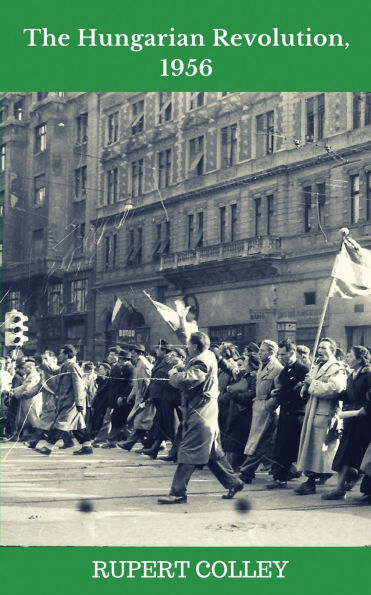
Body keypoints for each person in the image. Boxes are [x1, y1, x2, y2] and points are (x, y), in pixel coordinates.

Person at [157, 331, 244, 504]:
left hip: (200, 414)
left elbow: (188, 380)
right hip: (207, 413)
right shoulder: (209, 354)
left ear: (195, 346)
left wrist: (173, 374)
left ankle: (178, 493)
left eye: (188, 344)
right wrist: (183, 367)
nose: (186, 347)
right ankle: (233, 482)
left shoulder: (201, 360)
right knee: (212, 454)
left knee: (188, 452)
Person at [295, 337, 347, 494]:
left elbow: (333, 390)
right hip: (313, 411)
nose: (320, 351)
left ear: (332, 350)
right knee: (314, 450)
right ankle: (314, 478)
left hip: (325, 413)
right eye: (320, 348)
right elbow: (309, 390)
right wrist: (305, 387)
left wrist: (312, 384)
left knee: (320, 451)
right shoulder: (317, 366)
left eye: (325, 348)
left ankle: (312, 481)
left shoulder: (337, 368)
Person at [322, 345, 371, 500]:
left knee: (361, 456)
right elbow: (349, 395)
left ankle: (355, 481)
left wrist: (365, 409)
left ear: (360, 358)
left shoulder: (368, 374)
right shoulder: (351, 375)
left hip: (365, 420)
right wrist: (331, 393)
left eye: (350, 356)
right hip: (352, 420)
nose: (346, 358)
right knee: (345, 453)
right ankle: (340, 488)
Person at [36, 344, 93, 456]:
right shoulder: (65, 366)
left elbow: (79, 385)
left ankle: (48, 447)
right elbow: (52, 370)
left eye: (61, 353)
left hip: (71, 402)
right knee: (78, 427)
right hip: (68, 401)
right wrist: (41, 361)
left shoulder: (73, 366)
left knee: (61, 424)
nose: (59, 355)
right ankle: (87, 447)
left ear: (67, 354)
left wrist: (79, 403)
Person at [266, 339, 308, 489]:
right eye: (279, 354)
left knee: (289, 446)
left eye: (283, 354)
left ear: (292, 353)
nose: (280, 357)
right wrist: (276, 392)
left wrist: (284, 392)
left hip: (296, 414)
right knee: (282, 445)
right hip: (285, 412)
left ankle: (283, 476)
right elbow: (284, 388)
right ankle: (281, 476)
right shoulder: (284, 371)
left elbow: (302, 394)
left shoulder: (303, 370)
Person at [239, 340, 283, 484]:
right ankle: (289, 470)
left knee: (261, 442)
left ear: (272, 352)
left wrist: (269, 405)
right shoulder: (263, 366)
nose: (259, 353)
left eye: (263, 351)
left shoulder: (277, 368)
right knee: (262, 441)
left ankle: (247, 471)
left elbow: (278, 392)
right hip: (258, 407)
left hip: (268, 410)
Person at [140, 339, 182, 459]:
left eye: (158, 349)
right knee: (160, 422)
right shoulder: (160, 361)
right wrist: (147, 396)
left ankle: (174, 451)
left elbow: (175, 379)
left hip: (168, 398)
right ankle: (155, 449)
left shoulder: (174, 361)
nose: (156, 351)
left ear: (164, 350)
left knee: (169, 425)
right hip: (159, 398)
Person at [223, 353, 259, 470]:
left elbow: (251, 395)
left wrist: (234, 394)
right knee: (232, 440)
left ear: (251, 365)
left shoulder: (254, 377)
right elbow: (230, 370)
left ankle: (235, 466)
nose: (243, 364)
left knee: (239, 441)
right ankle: (230, 465)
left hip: (244, 413)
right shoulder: (244, 374)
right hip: (235, 412)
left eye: (246, 362)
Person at [118, 344, 153, 451]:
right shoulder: (138, 364)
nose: (131, 355)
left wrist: (145, 398)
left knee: (140, 421)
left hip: (145, 399)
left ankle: (129, 443)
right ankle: (149, 445)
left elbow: (148, 383)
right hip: (139, 398)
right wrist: (130, 396)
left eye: (133, 353)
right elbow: (137, 383)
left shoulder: (144, 364)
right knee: (140, 421)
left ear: (140, 353)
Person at [102, 349, 134, 448]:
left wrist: (122, 396)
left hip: (125, 400)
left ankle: (129, 440)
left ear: (126, 359)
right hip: (116, 399)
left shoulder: (131, 369)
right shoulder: (118, 368)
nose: (119, 361)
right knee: (117, 420)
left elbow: (130, 385)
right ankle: (113, 441)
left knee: (124, 421)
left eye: (121, 359)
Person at [11, 357, 42, 439]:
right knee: (25, 418)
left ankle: (37, 436)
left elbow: (27, 388)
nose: (24, 370)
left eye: (25, 368)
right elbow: (23, 386)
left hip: (31, 400)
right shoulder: (29, 375)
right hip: (27, 400)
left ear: (30, 368)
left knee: (33, 418)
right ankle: (25, 434)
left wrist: (15, 392)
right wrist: (14, 391)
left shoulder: (33, 376)